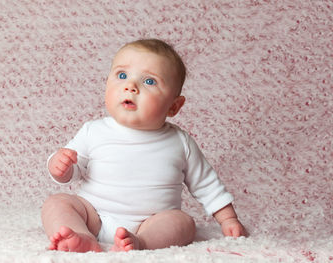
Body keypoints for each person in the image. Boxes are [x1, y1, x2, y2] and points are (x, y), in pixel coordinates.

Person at [41, 39, 246, 253]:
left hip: (150, 223)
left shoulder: (180, 142)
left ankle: (140, 243)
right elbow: (74, 169)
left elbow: (206, 184)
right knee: (56, 203)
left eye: (149, 81)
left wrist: (228, 219)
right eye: (122, 76)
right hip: (94, 216)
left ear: (174, 106)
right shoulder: (93, 131)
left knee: (182, 222)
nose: (130, 86)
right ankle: (81, 237)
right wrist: (60, 166)